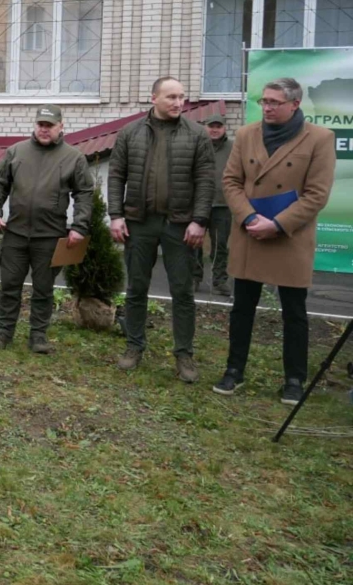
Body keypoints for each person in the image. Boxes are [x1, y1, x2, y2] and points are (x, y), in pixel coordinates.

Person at [212, 78, 335, 404]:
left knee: (294, 312)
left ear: (294, 104)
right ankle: (234, 371)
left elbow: (317, 194)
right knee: (242, 308)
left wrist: (278, 224)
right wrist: (250, 218)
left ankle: (294, 379)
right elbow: (231, 181)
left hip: (289, 237)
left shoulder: (320, 138)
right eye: (264, 101)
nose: (266, 107)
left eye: (274, 102)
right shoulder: (247, 134)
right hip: (250, 232)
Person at [107, 76, 214, 382]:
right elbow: (116, 176)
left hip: (180, 224)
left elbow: (206, 181)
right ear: (153, 98)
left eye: (182, 97)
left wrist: (200, 220)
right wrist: (116, 215)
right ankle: (134, 346)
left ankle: (184, 355)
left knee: (182, 290)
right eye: (171, 97)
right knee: (136, 287)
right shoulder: (130, 133)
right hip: (139, 222)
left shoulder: (196, 134)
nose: (179, 102)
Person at [0, 105, 94, 354]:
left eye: (50, 125)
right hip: (15, 233)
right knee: (10, 285)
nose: (44, 130)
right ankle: (4, 331)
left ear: (61, 127)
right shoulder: (16, 151)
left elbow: (84, 193)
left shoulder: (73, 157)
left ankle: (38, 335)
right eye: (40, 125)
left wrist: (79, 226)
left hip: (50, 235)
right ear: (35, 125)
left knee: (43, 289)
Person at [192, 113, 235, 297]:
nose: (215, 129)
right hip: (197, 203)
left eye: (218, 126)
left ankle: (219, 282)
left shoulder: (234, 148)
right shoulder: (197, 145)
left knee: (220, 246)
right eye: (211, 126)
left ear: (224, 128)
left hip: (223, 205)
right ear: (205, 127)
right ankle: (194, 278)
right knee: (193, 244)